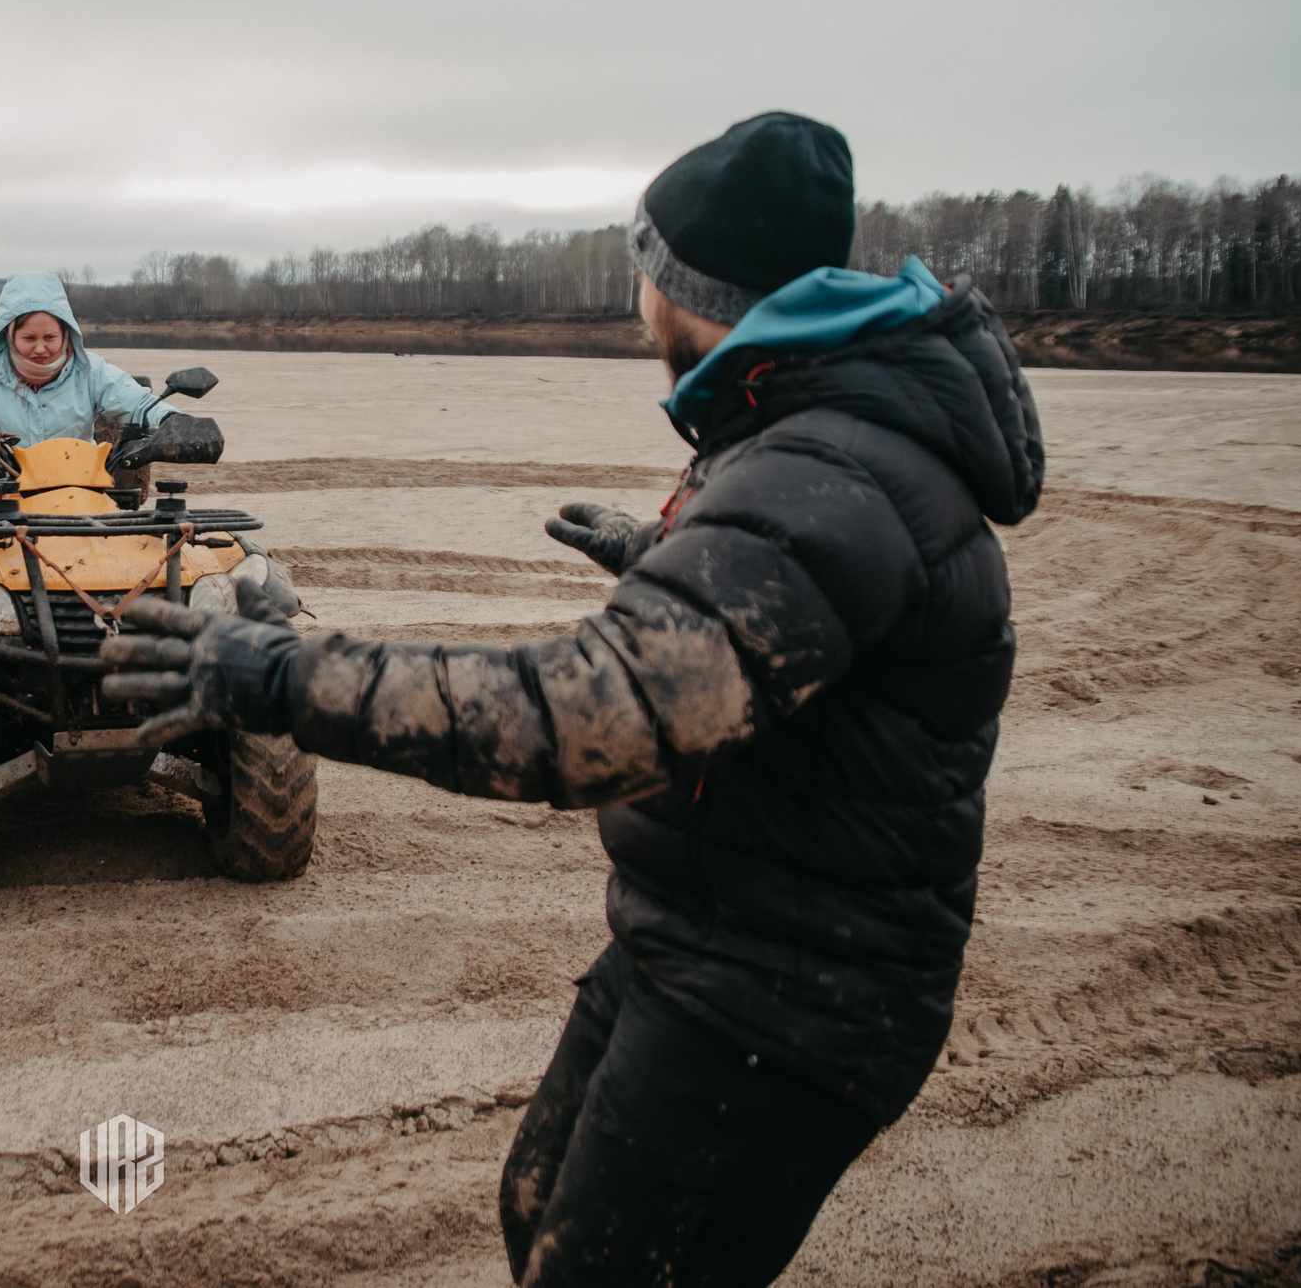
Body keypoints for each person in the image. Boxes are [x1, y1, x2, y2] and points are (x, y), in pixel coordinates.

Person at [102, 113, 1044, 1288]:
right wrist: (671, 560)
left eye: (642, 272)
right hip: (705, 938)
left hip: (788, 999)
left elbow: (579, 721)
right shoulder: (807, 426)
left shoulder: (826, 468)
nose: (636, 301)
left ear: (684, 288)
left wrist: (271, 672)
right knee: (535, 1200)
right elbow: (800, 617)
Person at [0, 269, 222, 469]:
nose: (40, 348)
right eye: (28, 338)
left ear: (66, 334)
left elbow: (138, 403)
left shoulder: (91, 372)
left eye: (50, 337)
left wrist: (170, 420)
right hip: (1, 480)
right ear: (9, 335)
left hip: (78, 481)